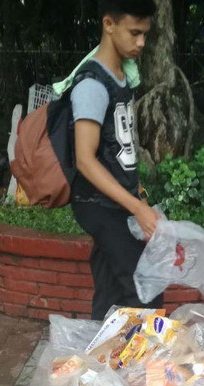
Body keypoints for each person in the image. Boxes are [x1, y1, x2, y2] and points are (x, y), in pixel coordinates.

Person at [70, 0, 159, 320]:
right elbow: (85, 160)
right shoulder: (92, 84)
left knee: (110, 290)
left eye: (145, 34)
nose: (141, 42)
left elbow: (120, 147)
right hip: (98, 203)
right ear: (109, 25)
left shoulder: (122, 76)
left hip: (117, 201)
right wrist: (136, 207)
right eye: (134, 33)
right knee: (145, 288)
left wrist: (137, 193)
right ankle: (146, 352)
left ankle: (99, 344)